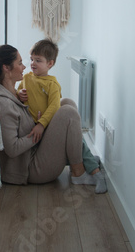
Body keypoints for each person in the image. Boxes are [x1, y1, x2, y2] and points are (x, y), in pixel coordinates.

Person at [0, 44, 106, 193]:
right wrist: (42, 129)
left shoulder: (14, 92)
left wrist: (37, 119)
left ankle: (82, 159)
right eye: (20, 62)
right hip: (29, 168)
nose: (25, 66)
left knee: (66, 103)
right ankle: (79, 171)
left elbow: (25, 117)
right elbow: (12, 149)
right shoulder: (4, 103)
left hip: (35, 151)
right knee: (68, 113)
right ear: (6, 68)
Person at [16, 39, 105, 192]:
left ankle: (85, 162)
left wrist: (42, 124)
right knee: (69, 110)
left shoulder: (52, 84)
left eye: (38, 60)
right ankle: (88, 162)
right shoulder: (27, 78)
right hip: (34, 131)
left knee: (67, 104)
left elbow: (54, 107)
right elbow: (20, 95)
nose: (32, 63)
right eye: (31, 59)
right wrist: (19, 95)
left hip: (44, 127)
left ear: (50, 64)